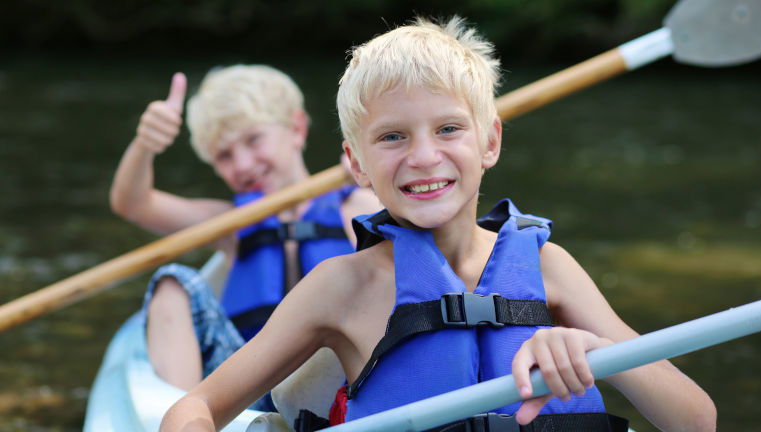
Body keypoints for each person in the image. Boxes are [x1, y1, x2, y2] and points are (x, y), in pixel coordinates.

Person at [159, 18, 717, 431]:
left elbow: (695, 420)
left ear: (490, 141)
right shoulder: (341, 287)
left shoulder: (550, 269)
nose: (424, 157)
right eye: (392, 137)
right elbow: (196, 406)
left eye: (449, 129)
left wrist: (596, 351)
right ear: (356, 163)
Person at [109, 64, 380, 409]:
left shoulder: (356, 202)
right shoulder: (229, 225)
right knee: (171, 283)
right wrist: (145, 145)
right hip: (246, 385)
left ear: (296, 128)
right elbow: (133, 203)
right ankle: (181, 417)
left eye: (253, 140)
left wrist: (371, 175)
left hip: (335, 376)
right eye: (224, 155)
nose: (242, 164)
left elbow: (409, 249)